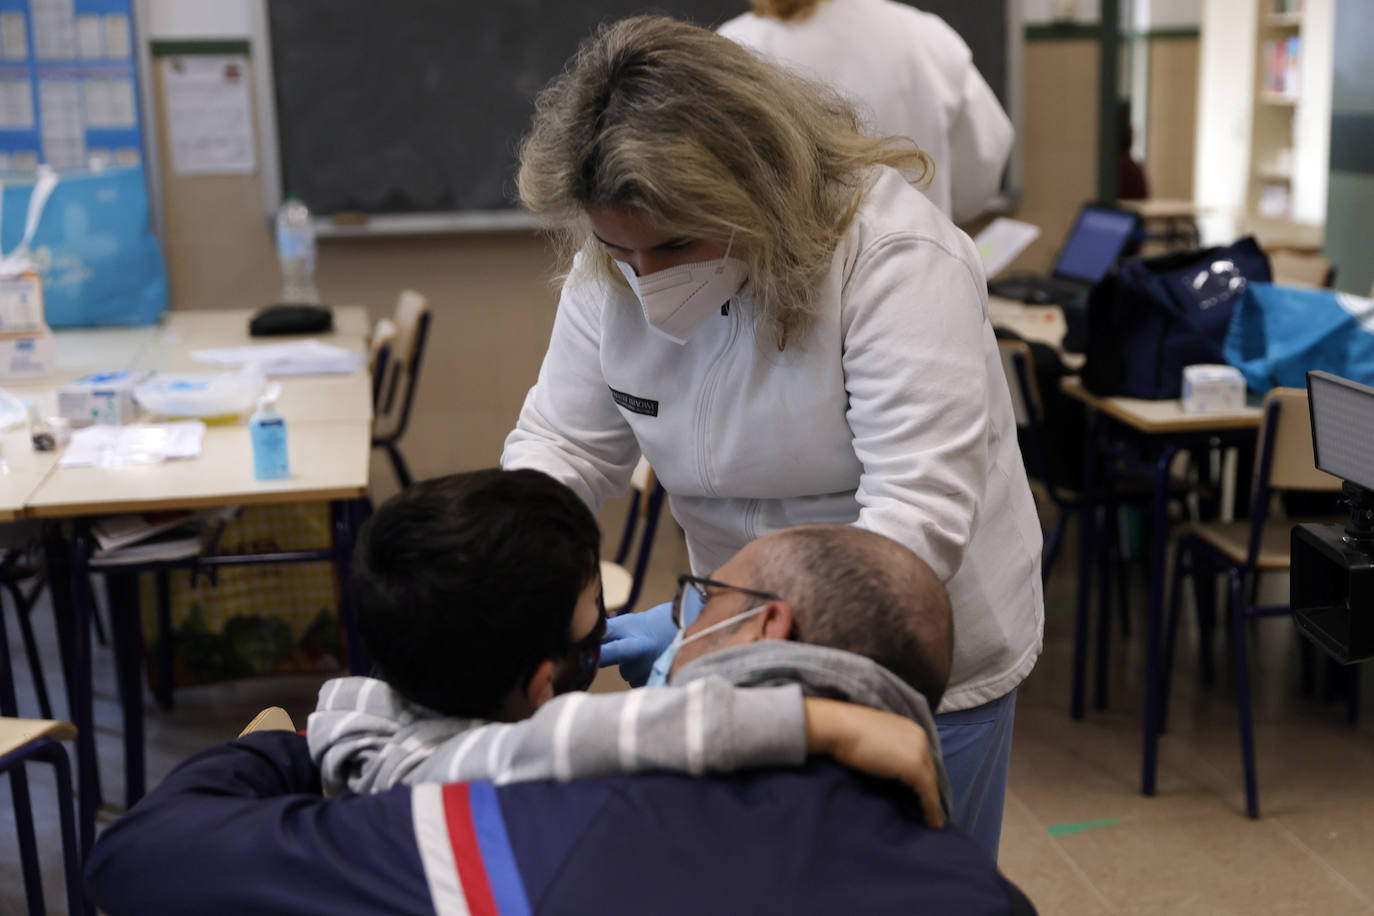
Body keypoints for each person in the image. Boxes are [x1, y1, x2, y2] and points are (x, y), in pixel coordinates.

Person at [502, 15, 1042, 857]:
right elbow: (561, 447)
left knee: (915, 890)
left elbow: (913, 521)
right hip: (740, 623)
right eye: (619, 249)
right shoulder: (612, 264)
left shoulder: (893, 257)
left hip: (918, 645)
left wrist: (714, 645)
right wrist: (514, 576)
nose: (646, 281)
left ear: (752, 186)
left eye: (676, 243)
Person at [84, 525, 1037, 915]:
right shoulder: (977, 893)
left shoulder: (532, 830)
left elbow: (139, 865)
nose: (682, 617)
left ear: (766, 628)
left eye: (703, 596)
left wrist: (273, 755)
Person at [307, 468, 942, 815]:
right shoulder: (462, 771)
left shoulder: (376, 706)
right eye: (594, 608)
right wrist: (820, 722)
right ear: (539, 688)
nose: (613, 621)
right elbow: (612, 731)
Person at [719, 0, 1014, 224]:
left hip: (787, 294)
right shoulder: (928, 38)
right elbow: (980, 179)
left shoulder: (733, 48)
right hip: (918, 277)